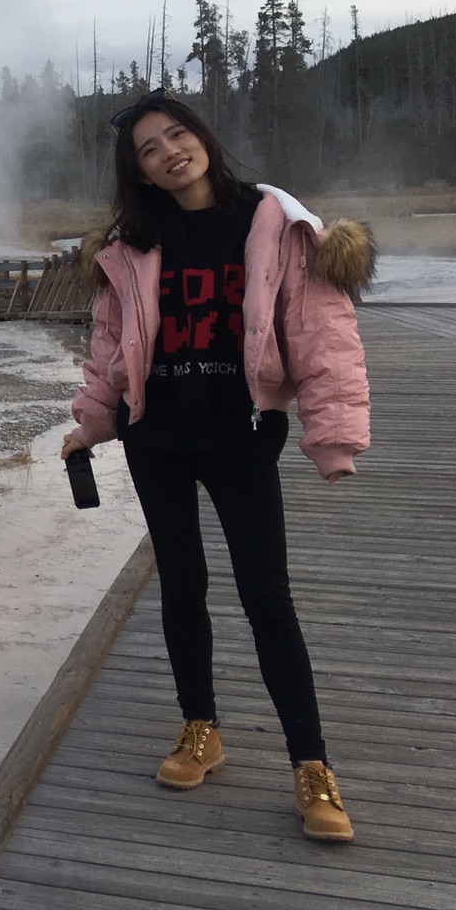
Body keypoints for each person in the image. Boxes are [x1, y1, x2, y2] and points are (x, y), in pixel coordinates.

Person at [60, 88, 374, 843]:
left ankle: (312, 767)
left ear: (202, 137)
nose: (170, 150)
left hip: (241, 434)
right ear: (137, 170)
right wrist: (90, 423)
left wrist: (333, 436)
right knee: (182, 586)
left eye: (177, 134)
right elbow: (112, 347)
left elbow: (322, 333)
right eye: (149, 148)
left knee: (268, 598)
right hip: (156, 437)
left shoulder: (273, 222)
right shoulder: (130, 242)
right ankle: (200, 727)